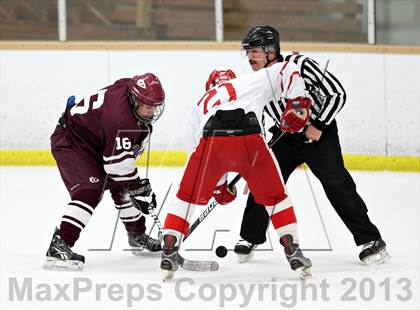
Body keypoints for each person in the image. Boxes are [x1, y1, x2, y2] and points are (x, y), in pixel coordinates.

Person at [234, 25, 390, 265]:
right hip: (283, 137)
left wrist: (318, 124)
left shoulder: (301, 65)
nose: (250, 57)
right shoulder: (257, 80)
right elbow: (259, 117)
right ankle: (250, 237)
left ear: (271, 50)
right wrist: (256, 159)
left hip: (318, 134)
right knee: (262, 183)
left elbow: (336, 94)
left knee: (337, 184)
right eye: (248, 52)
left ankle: (370, 240)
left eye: (255, 51)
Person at [159, 63, 314, 281]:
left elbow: (193, 148)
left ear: (209, 86)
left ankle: (169, 247)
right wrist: (298, 104)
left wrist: (219, 184)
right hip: (250, 138)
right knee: (276, 198)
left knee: (186, 197)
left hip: (210, 141)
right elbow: (287, 69)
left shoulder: (200, 104)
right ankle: (292, 249)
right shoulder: (250, 82)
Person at [43, 73, 165, 271]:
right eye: (148, 106)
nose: (153, 111)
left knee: (122, 186)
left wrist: (134, 187)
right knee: (90, 191)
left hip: (96, 141)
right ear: (134, 100)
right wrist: (137, 188)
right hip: (72, 141)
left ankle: (137, 235)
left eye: (156, 105)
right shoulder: (119, 119)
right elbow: (116, 167)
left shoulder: (130, 90)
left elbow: (119, 168)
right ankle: (59, 245)